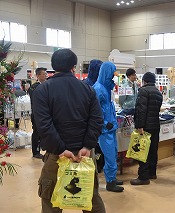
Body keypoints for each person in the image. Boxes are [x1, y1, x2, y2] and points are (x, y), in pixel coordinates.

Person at [33, 49, 106, 212]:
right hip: (85, 155)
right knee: (90, 197)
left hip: (56, 156)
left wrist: (60, 149)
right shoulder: (88, 90)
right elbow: (97, 120)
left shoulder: (42, 90)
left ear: (53, 67)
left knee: (51, 199)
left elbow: (43, 125)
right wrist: (87, 146)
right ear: (74, 67)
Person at [93, 62, 124, 192]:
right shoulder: (98, 89)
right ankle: (110, 182)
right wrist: (105, 123)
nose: (114, 76)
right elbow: (94, 111)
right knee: (110, 156)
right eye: (112, 73)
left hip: (111, 127)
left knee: (114, 154)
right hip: (104, 129)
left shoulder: (107, 88)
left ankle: (112, 177)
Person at [130, 72, 163, 185]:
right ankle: (152, 173)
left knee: (143, 151)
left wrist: (139, 125)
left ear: (144, 81)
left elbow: (141, 110)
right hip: (155, 125)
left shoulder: (143, 91)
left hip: (145, 127)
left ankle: (143, 177)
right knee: (153, 150)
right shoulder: (158, 92)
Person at [82, 59, 105, 173]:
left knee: (98, 147)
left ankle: (99, 165)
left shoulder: (100, 85)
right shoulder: (89, 86)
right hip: (89, 123)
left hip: (97, 122)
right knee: (93, 147)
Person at [28, 67, 47, 159]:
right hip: (36, 113)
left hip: (44, 113)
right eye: (43, 74)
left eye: (45, 74)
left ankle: (42, 148)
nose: (45, 76)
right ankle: (35, 152)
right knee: (36, 132)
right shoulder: (34, 87)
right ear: (38, 75)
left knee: (42, 132)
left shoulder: (46, 85)